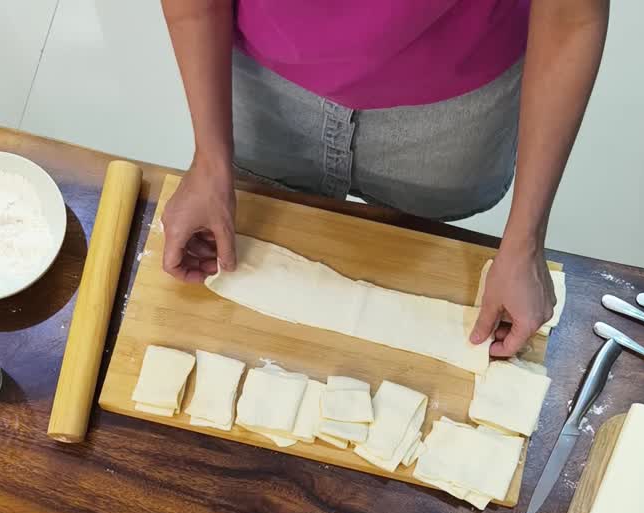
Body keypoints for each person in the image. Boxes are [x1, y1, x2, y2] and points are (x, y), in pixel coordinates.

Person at [160, 0, 608, 357]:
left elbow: (569, 17)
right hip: (263, 82)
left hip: (453, 102)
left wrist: (525, 241)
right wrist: (209, 160)